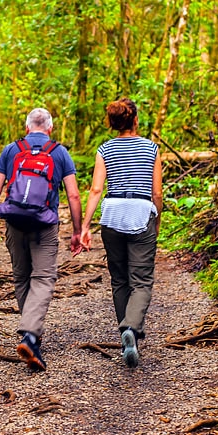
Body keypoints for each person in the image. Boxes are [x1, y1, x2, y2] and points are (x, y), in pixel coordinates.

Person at [0, 108, 83, 372]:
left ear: (26, 128)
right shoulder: (59, 152)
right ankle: (31, 335)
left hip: (14, 221)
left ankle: (30, 332)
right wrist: (78, 231)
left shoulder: (12, 150)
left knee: (22, 277)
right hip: (45, 225)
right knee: (44, 278)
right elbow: (73, 196)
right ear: (50, 128)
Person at [79, 98, 163, 368]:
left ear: (112, 123)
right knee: (142, 280)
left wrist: (85, 226)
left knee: (119, 280)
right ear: (135, 120)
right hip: (140, 212)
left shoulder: (105, 149)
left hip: (112, 213)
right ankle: (131, 327)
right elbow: (157, 192)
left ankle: (128, 334)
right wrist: (157, 218)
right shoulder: (152, 148)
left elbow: (95, 190)